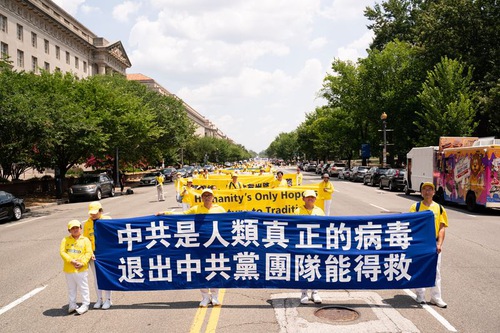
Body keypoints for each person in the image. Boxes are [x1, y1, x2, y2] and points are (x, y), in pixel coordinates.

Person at [157, 188, 226, 307]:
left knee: (215, 269)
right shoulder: (196, 209)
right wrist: (166, 213)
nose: (207, 197)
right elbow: (182, 215)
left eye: (209, 195)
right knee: (201, 270)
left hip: (215, 245)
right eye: (205, 195)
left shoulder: (220, 209)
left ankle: (215, 296)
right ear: (202, 198)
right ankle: (205, 296)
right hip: (199, 245)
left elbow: (228, 223)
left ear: (213, 197)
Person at [410, 182, 448, 308]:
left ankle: (436, 297)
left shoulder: (439, 208)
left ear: (434, 192)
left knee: (435, 271)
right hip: (420, 244)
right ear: (421, 192)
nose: (427, 192)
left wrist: (439, 244)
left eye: (430, 189)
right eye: (424, 189)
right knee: (420, 269)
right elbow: (410, 226)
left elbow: (442, 228)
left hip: (433, 244)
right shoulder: (415, 207)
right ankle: (420, 294)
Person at [294, 190, 325, 304]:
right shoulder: (297, 211)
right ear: (303, 199)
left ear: (315, 199)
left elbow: (324, 227)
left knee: (315, 266)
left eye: (312, 197)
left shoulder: (320, 211)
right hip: (302, 244)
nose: (310, 199)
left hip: (316, 244)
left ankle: (315, 292)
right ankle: (303, 292)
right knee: (303, 267)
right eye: (308, 197)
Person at [83, 201, 113, 310]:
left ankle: (108, 299)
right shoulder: (87, 223)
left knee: (106, 276)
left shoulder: (107, 220)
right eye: (91, 213)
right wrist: (90, 253)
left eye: (95, 212)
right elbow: (85, 240)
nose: (93, 215)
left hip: (105, 253)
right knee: (96, 278)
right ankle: (99, 299)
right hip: (93, 255)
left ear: (101, 211)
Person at [60, 219, 93, 315]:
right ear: (69, 230)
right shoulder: (65, 240)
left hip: (81, 268)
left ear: (81, 228)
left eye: (77, 228)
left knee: (83, 287)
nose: (75, 230)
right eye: (72, 228)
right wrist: (71, 260)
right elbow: (62, 252)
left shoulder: (85, 240)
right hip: (69, 268)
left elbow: (88, 252)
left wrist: (83, 262)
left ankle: (85, 304)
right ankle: (72, 304)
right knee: (71, 288)